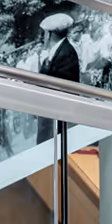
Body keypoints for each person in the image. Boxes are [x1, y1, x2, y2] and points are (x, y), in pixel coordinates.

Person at [35, 13, 81, 144]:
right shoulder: (57, 51)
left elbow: (55, 81)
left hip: (59, 115)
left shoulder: (66, 53)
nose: (43, 37)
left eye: (44, 33)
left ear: (50, 34)